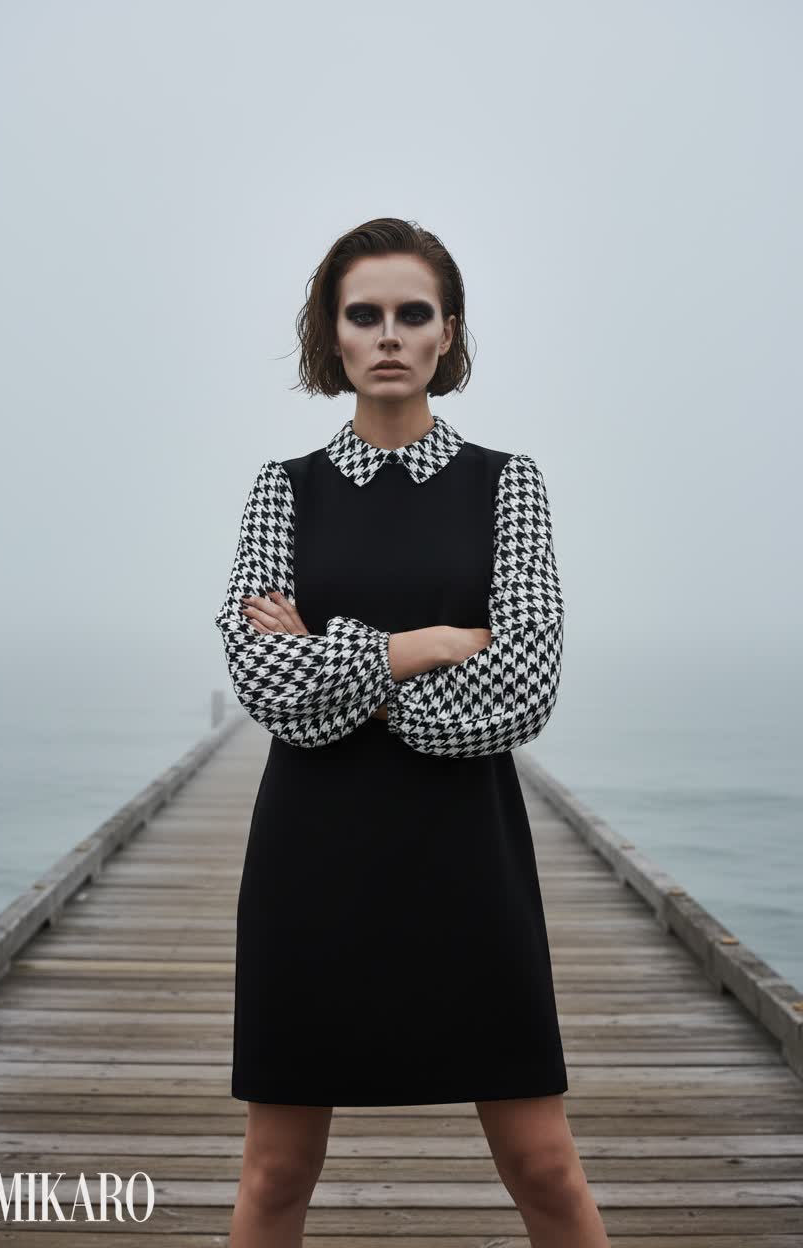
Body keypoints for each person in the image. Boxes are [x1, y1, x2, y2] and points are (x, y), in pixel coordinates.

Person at [214, 217, 610, 1247]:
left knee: (544, 1168)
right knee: (275, 1174)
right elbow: (261, 679)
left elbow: (524, 689)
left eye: (411, 313)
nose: (387, 334)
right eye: (364, 314)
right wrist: (422, 646)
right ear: (332, 334)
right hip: (310, 858)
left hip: (468, 856)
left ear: (447, 331)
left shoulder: (507, 481)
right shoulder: (282, 488)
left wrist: (338, 668)